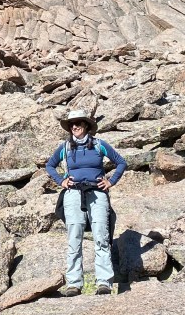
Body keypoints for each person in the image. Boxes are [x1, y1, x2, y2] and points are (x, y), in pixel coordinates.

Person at [46, 108, 126, 296]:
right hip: (73, 193)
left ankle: (104, 283)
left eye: (78, 123)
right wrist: (61, 181)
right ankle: (74, 284)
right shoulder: (65, 147)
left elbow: (121, 162)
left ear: (86, 125)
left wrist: (111, 181)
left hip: (97, 193)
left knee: (101, 237)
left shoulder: (99, 145)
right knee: (74, 238)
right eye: (71, 124)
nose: (74, 127)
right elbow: (50, 165)